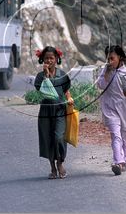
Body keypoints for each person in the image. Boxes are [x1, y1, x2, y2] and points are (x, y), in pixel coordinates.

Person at [96, 45, 126, 176]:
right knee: (116, 134)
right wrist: (107, 74)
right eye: (108, 59)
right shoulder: (105, 71)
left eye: (112, 58)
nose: (109, 61)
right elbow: (100, 85)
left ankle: (125, 159)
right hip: (109, 108)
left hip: (124, 108)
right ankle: (118, 162)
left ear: (120, 57)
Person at [34, 46, 74, 179]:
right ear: (42, 60)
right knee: (48, 138)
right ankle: (52, 166)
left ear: (57, 59)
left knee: (58, 137)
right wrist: (46, 75)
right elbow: (41, 90)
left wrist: (69, 98)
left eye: (52, 58)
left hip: (60, 111)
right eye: (46, 58)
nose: (49, 60)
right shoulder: (40, 77)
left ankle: (60, 163)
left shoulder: (62, 75)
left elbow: (66, 91)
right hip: (46, 111)